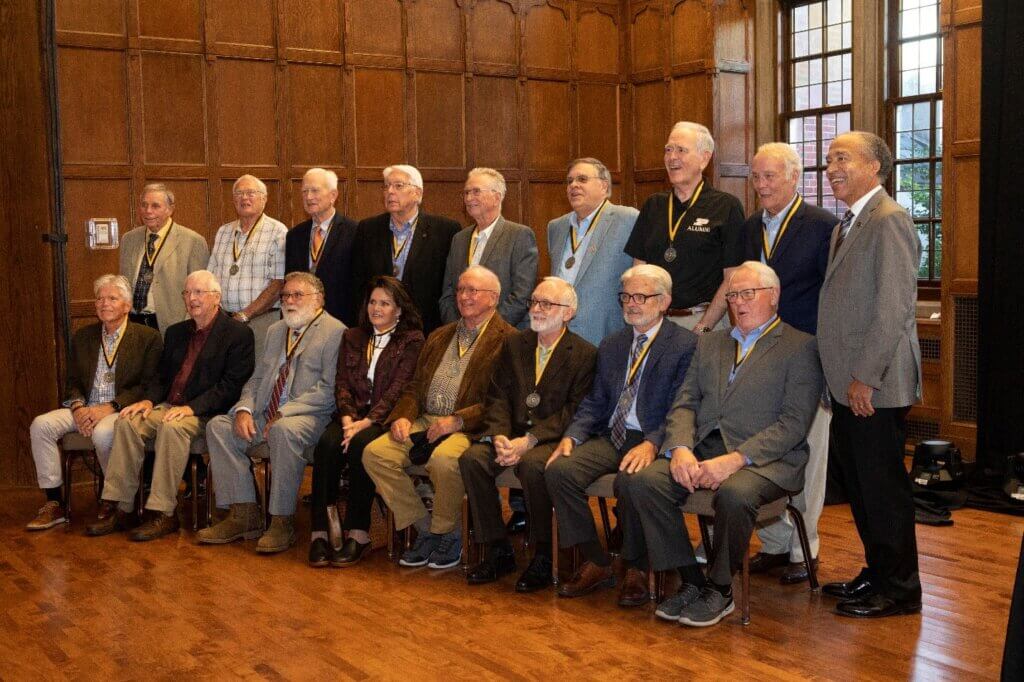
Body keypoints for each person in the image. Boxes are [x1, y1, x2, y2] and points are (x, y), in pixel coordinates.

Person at [615, 261, 822, 627]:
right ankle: (692, 581)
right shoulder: (709, 343)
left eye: (748, 294)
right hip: (703, 448)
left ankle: (721, 587)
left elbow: (793, 425)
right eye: (732, 295)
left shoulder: (800, 347)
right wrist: (678, 447)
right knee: (642, 482)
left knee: (734, 495)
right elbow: (684, 402)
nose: (738, 303)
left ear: (773, 296)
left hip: (766, 461)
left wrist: (736, 460)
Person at [817, 131, 923, 618]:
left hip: (872, 385)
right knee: (861, 488)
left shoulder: (889, 219)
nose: (832, 168)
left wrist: (865, 377)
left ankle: (900, 589)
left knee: (882, 490)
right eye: (828, 160)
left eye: (842, 158)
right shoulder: (849, 224)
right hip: (848, 384)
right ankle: (878, 572)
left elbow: (894, 308)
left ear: (874, 167)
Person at [545, 264, 696, 600]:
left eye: (641, 296)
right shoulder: (613, 344)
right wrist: (572, 436)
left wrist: (654, 444)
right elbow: (595, 402)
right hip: (611, 435)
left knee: (631, 480)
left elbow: (682, 407)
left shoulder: (684, 344)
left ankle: (637, 567)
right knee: (559, 470)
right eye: (626, 296)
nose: (632, 303)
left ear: (664, 301)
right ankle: (596, 561)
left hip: (651, 436)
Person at [363, 266, 514, 569]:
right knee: (375, 454)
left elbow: (502, 401)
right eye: (460, 290)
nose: (464, 297)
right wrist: (403, 417)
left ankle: (449, 533)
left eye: (473, 290)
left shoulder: (510, 340)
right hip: (424, 420)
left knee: (445, 460)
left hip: (467, 427)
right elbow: (415, 386)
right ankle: (425, 528)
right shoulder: (440, 334)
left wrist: (457, 420)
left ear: (493, 298)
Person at [86, 270, 254, 540]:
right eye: (187, 293)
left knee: (171, 427)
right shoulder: (176, 332)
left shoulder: (238, 334)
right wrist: (148, 401)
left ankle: (164, 513)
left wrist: (191, 408)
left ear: (216, 297)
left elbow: (231, 386)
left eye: (199, 292)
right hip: (168, 405)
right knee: (127, 421)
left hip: (207, 413)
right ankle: (122, 508)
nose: (192, 298)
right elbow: (161, 378)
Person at [459, 277, 597, 591]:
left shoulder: (584, 354)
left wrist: (529, 441)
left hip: (549, 439)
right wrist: (498, 436)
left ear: (568, 313)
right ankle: (497, 548)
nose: (536, 308)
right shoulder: (514, 344)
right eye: (534, 301)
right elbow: (496, 397)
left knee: (534, 466)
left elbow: (574, 412)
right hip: (510, 434)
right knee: (472, 459)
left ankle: (543, 555)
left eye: (546, 303)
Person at [741, 142, 835, 585]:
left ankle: (804, 549)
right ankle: (776, 545)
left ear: (794, 177)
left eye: (770, 176)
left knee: (809, 451)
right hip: (757, 356)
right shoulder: (747, 228)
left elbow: (832, 296)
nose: (761, 186)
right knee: (762, 444)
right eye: (756, 177)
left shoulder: (822, 226)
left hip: (806, 355)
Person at [198, 272, 345, 553]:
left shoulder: (334, 331)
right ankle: (245, 513)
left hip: (309, 415)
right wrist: (243, 409)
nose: (289, 301)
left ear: (319, 300)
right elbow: (257, 378)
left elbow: (329, 390)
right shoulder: (277, 331)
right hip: (266, 411)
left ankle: (281, 520)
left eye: (297, 295)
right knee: (218, 426)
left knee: (282, 430)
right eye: (285, 296)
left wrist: (285, 412)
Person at [26, 275, 162, 530]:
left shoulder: (148, 338)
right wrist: (77, 408)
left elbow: (147, 385)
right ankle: (54, 503)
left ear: (127, 305)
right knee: (40, 425)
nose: (104, 303)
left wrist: (110, 407)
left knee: (102, 434)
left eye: (112, 298)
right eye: (99, 298)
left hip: (118, 409)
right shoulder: (84, 337)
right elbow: (73, 381)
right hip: (85, 407)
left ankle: (115, 499)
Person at [307, 276, 425, 567]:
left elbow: (401, 387)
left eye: (385, 303)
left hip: (384, 417)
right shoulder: (353, 336)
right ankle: (320, 532)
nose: (376, 308)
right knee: (326, 445)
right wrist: (348, 418)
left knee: (361, 446)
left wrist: (368, 421)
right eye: (373, 301)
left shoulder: (412, 340)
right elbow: (342, 382)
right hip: (351, 415)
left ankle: (358, 532)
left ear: (398, 310)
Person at [624, 122, 745, 334]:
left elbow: (732, 278)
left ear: (704, 158)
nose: (672, 157)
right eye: (668, 150)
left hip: (704, 321)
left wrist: (704, 326)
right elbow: (638, 269)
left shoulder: (726, 206)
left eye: (681, 150)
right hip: (655, 322)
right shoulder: (653, 205)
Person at [349, 165, 460, 334]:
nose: (390, 191)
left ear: (418, 193)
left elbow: (449, 286)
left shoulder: (445, 231)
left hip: (425, 328)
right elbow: (358, 281)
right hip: (378, 328)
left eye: (398, 186)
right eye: (386, 186)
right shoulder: (368, 228)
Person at [546, 157, 637, 346]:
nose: (574, 185)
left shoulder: (628, 219)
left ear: (604, 186)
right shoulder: (556, 227)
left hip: (605, 334)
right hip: (558, 334)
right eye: (570, 181)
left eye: (582, 179)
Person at [439, 168, 538, 329]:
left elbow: (521, 295)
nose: (469, 198)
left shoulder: (519, 236)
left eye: (476, 191)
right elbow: (448, 293)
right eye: (466, 193)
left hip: (503, 336)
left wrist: (486, 331)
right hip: (461, 336)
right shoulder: (459, 239)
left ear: (497, 197)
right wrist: (457, 329)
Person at [207, 174, 287, 358]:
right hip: (225, 320)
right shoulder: (224, 232)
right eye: (239, 193)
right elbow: (210, 276)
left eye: (251, 193)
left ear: (264, 199)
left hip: (262, 320)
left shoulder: (278, 231)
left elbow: (278, 282)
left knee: (256, 376)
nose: (244, 198)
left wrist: (245, 315)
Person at [120, 183, 209, 332]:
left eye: (155, 206)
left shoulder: (192, 241)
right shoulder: (128, 240)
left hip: (173, 326)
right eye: (144, 205)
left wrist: (188, 328)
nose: (148, 211)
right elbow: (122, 283)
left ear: (170, 209)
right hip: (133, 323)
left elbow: (200, 292)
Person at [284, 168, 359, 326]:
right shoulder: (294, 235)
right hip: (301, 322)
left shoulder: (355, 232)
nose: (309, 197)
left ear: (333, 195)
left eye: (315, 190)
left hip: (341, 322)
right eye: (305, 191)